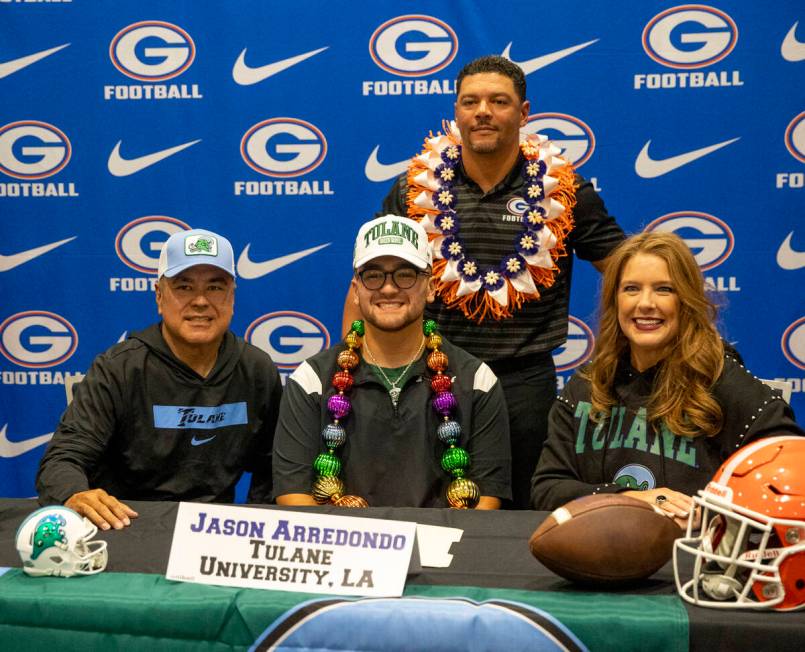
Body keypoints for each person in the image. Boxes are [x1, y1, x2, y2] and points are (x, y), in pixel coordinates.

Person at [345, 55, 625, 508]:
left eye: (499, 101)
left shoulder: (565, 189)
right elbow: (368, 280)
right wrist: (352, 370)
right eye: (470, 101)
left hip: (523, 382)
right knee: (426, 499)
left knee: (515, 508)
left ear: (524, 112)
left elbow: (622, 265)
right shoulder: (415, 187)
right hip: (431, 373)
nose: (483, 112)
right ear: (456, 111)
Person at [531, 232, 803, 526]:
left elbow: (787, 475)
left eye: (664, 289)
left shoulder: (722, 381)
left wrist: (712, 517)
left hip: (694, 563)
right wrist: (627, 498)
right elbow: (546, 488)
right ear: (615, 300)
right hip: (603, 559)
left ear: (687, 300)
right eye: (631, 289)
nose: (646, 303)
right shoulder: (586, 386)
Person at [36, 228, 282, 530]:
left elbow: (275, 468)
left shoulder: (256, 369)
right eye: (184, 287)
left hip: (214, 536)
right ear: (159, 296)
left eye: (216, 287)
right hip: (127, 527)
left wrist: (256, 528)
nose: (201, 301)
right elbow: (62, 460)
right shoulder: (119, 369)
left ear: (232, 296)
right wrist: (74, 494)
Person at [275, 215, 511, 508]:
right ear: (356, 290)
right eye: (373, 275)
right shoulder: (310, 379)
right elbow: (294, 496)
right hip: (344, 549)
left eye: (405, 274)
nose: (388, 288)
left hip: (443, 551)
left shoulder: (477, 380)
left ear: (430, 287)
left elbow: (486, 500)